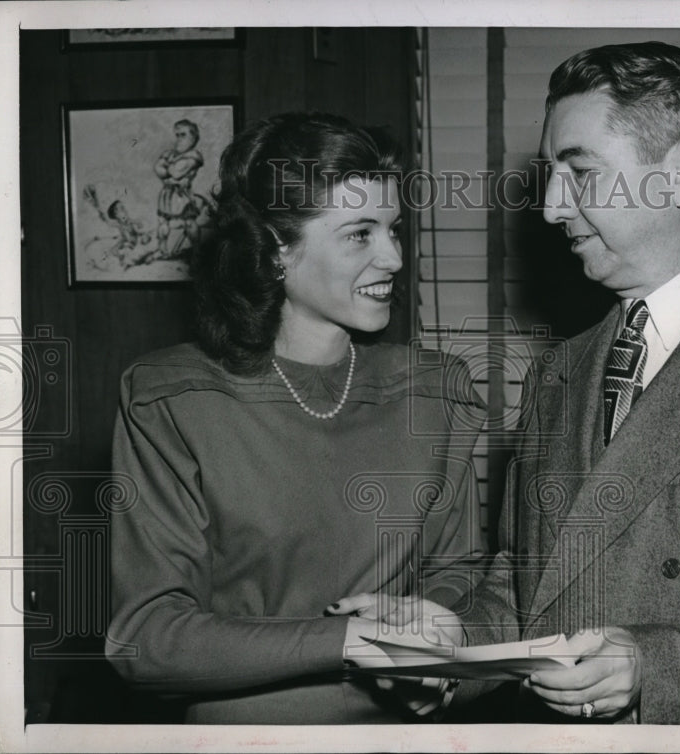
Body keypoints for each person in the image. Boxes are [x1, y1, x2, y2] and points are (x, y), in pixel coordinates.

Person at [334, 40, 680, 725]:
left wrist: (652, 668)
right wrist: (453, 642)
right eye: (551, 175)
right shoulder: (558, 372)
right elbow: (527, 588)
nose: (551, 208)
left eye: (580, 174)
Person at [105, 111, 485, 724]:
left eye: (394, 229)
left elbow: (458, 571)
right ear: (278, 250)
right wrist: (351, 643)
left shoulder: (435, 391)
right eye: (360, 234)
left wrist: (432, 637)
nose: (393, 257)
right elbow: (146, 639)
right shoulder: (171, 400)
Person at [153, 118, 205, 258]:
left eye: (183, 135)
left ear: (193, 138)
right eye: (177, 135)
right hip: (167, 194)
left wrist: (167, 167)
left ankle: (197, 250)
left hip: (182, 196)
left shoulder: (193, 156)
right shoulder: (171, 154)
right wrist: (168, 170)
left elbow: (176, 172)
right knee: (163, 221)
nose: (179, 139)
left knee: (189, 222)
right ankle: (163, 250)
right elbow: (158, 169)